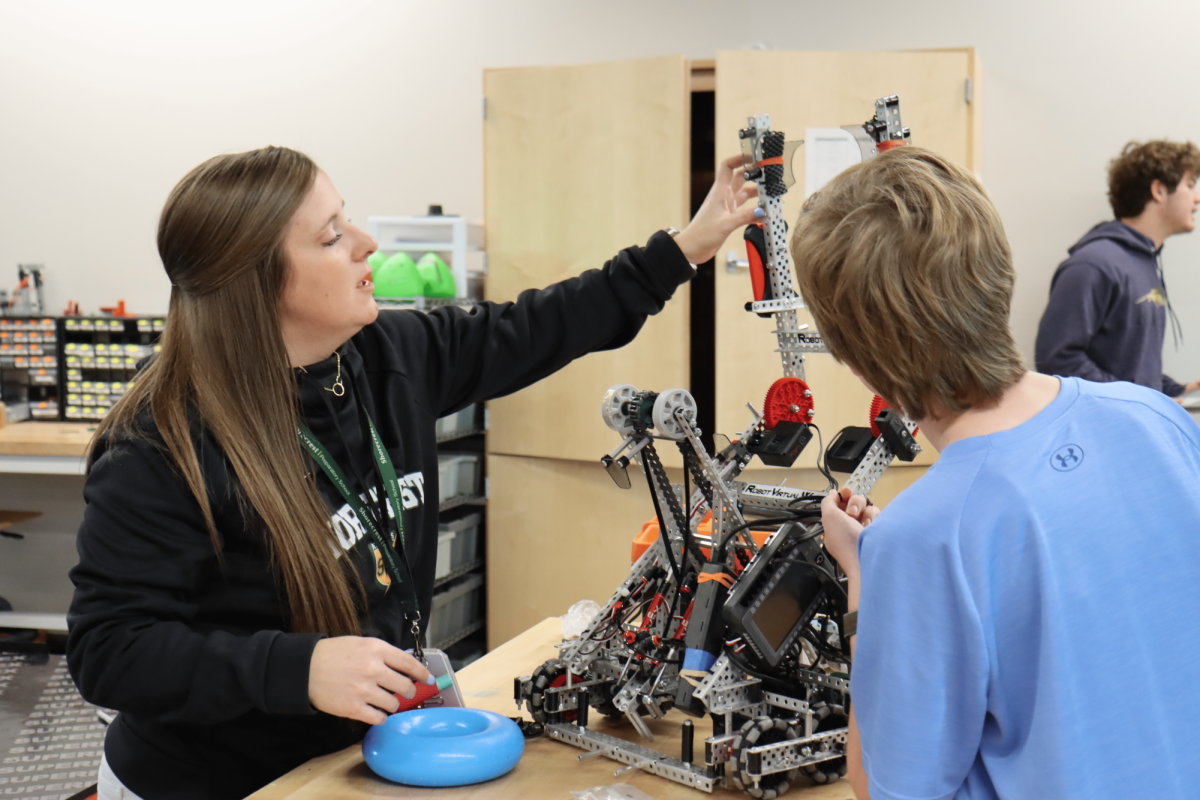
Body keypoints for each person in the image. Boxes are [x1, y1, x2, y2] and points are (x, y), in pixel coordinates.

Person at [67, 146, 760, 800]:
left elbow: (538, 326)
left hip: (350, 758)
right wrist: (297, 668)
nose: (367, 243)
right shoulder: (160, 443)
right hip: (215, 783)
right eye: (332, 235)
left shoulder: (384, 352)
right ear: (260, 283)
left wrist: (688, 247)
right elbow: (110, 650)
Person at [791, 147, 1200, 800]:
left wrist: (868, 579)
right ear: (997, 274)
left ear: (857, 364)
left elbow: (885, 787)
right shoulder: (1159, 418)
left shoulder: (920, 541)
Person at [1035, 140, 1200, 401]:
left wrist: (1170, 390)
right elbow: (1056, 358)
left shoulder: (1144, 264)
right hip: (1102, 437)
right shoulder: (1094, 264)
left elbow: (1126, 363)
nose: (1197, 197)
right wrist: (1136, 401)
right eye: (1190, 185)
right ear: (1158, 190)